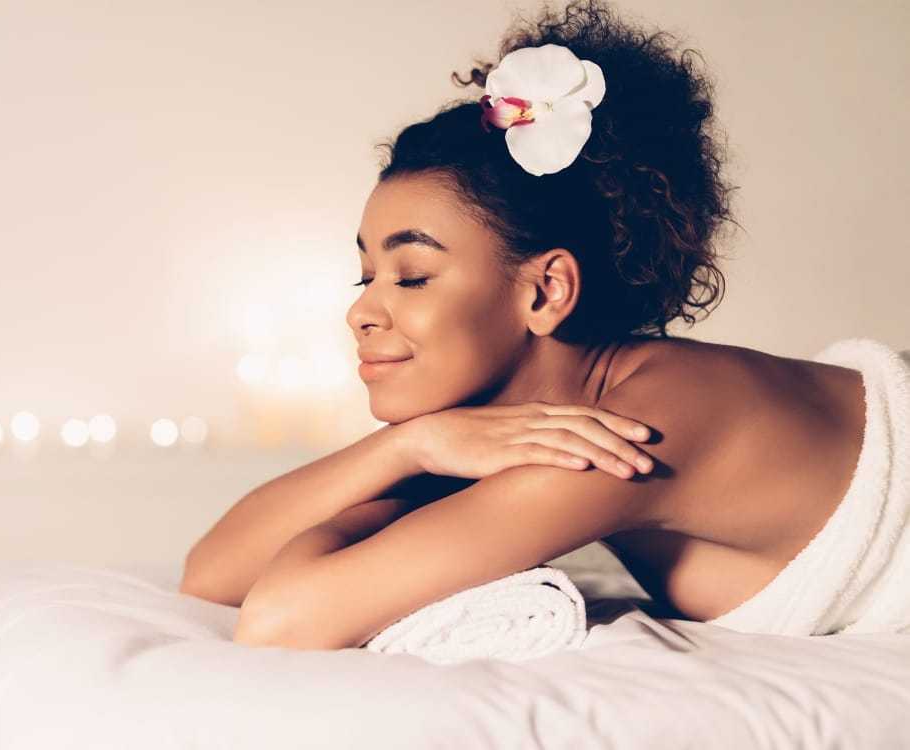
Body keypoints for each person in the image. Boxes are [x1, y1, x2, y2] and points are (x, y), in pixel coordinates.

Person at [180, 0, 867, 648]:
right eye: (366, 277)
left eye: (411, 276)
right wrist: (405, 448)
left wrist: (414, 449)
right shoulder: (507, 427)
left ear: (545, 290)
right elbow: (213, 578)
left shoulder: (642, 427)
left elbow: (282, 618)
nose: (361, 311)